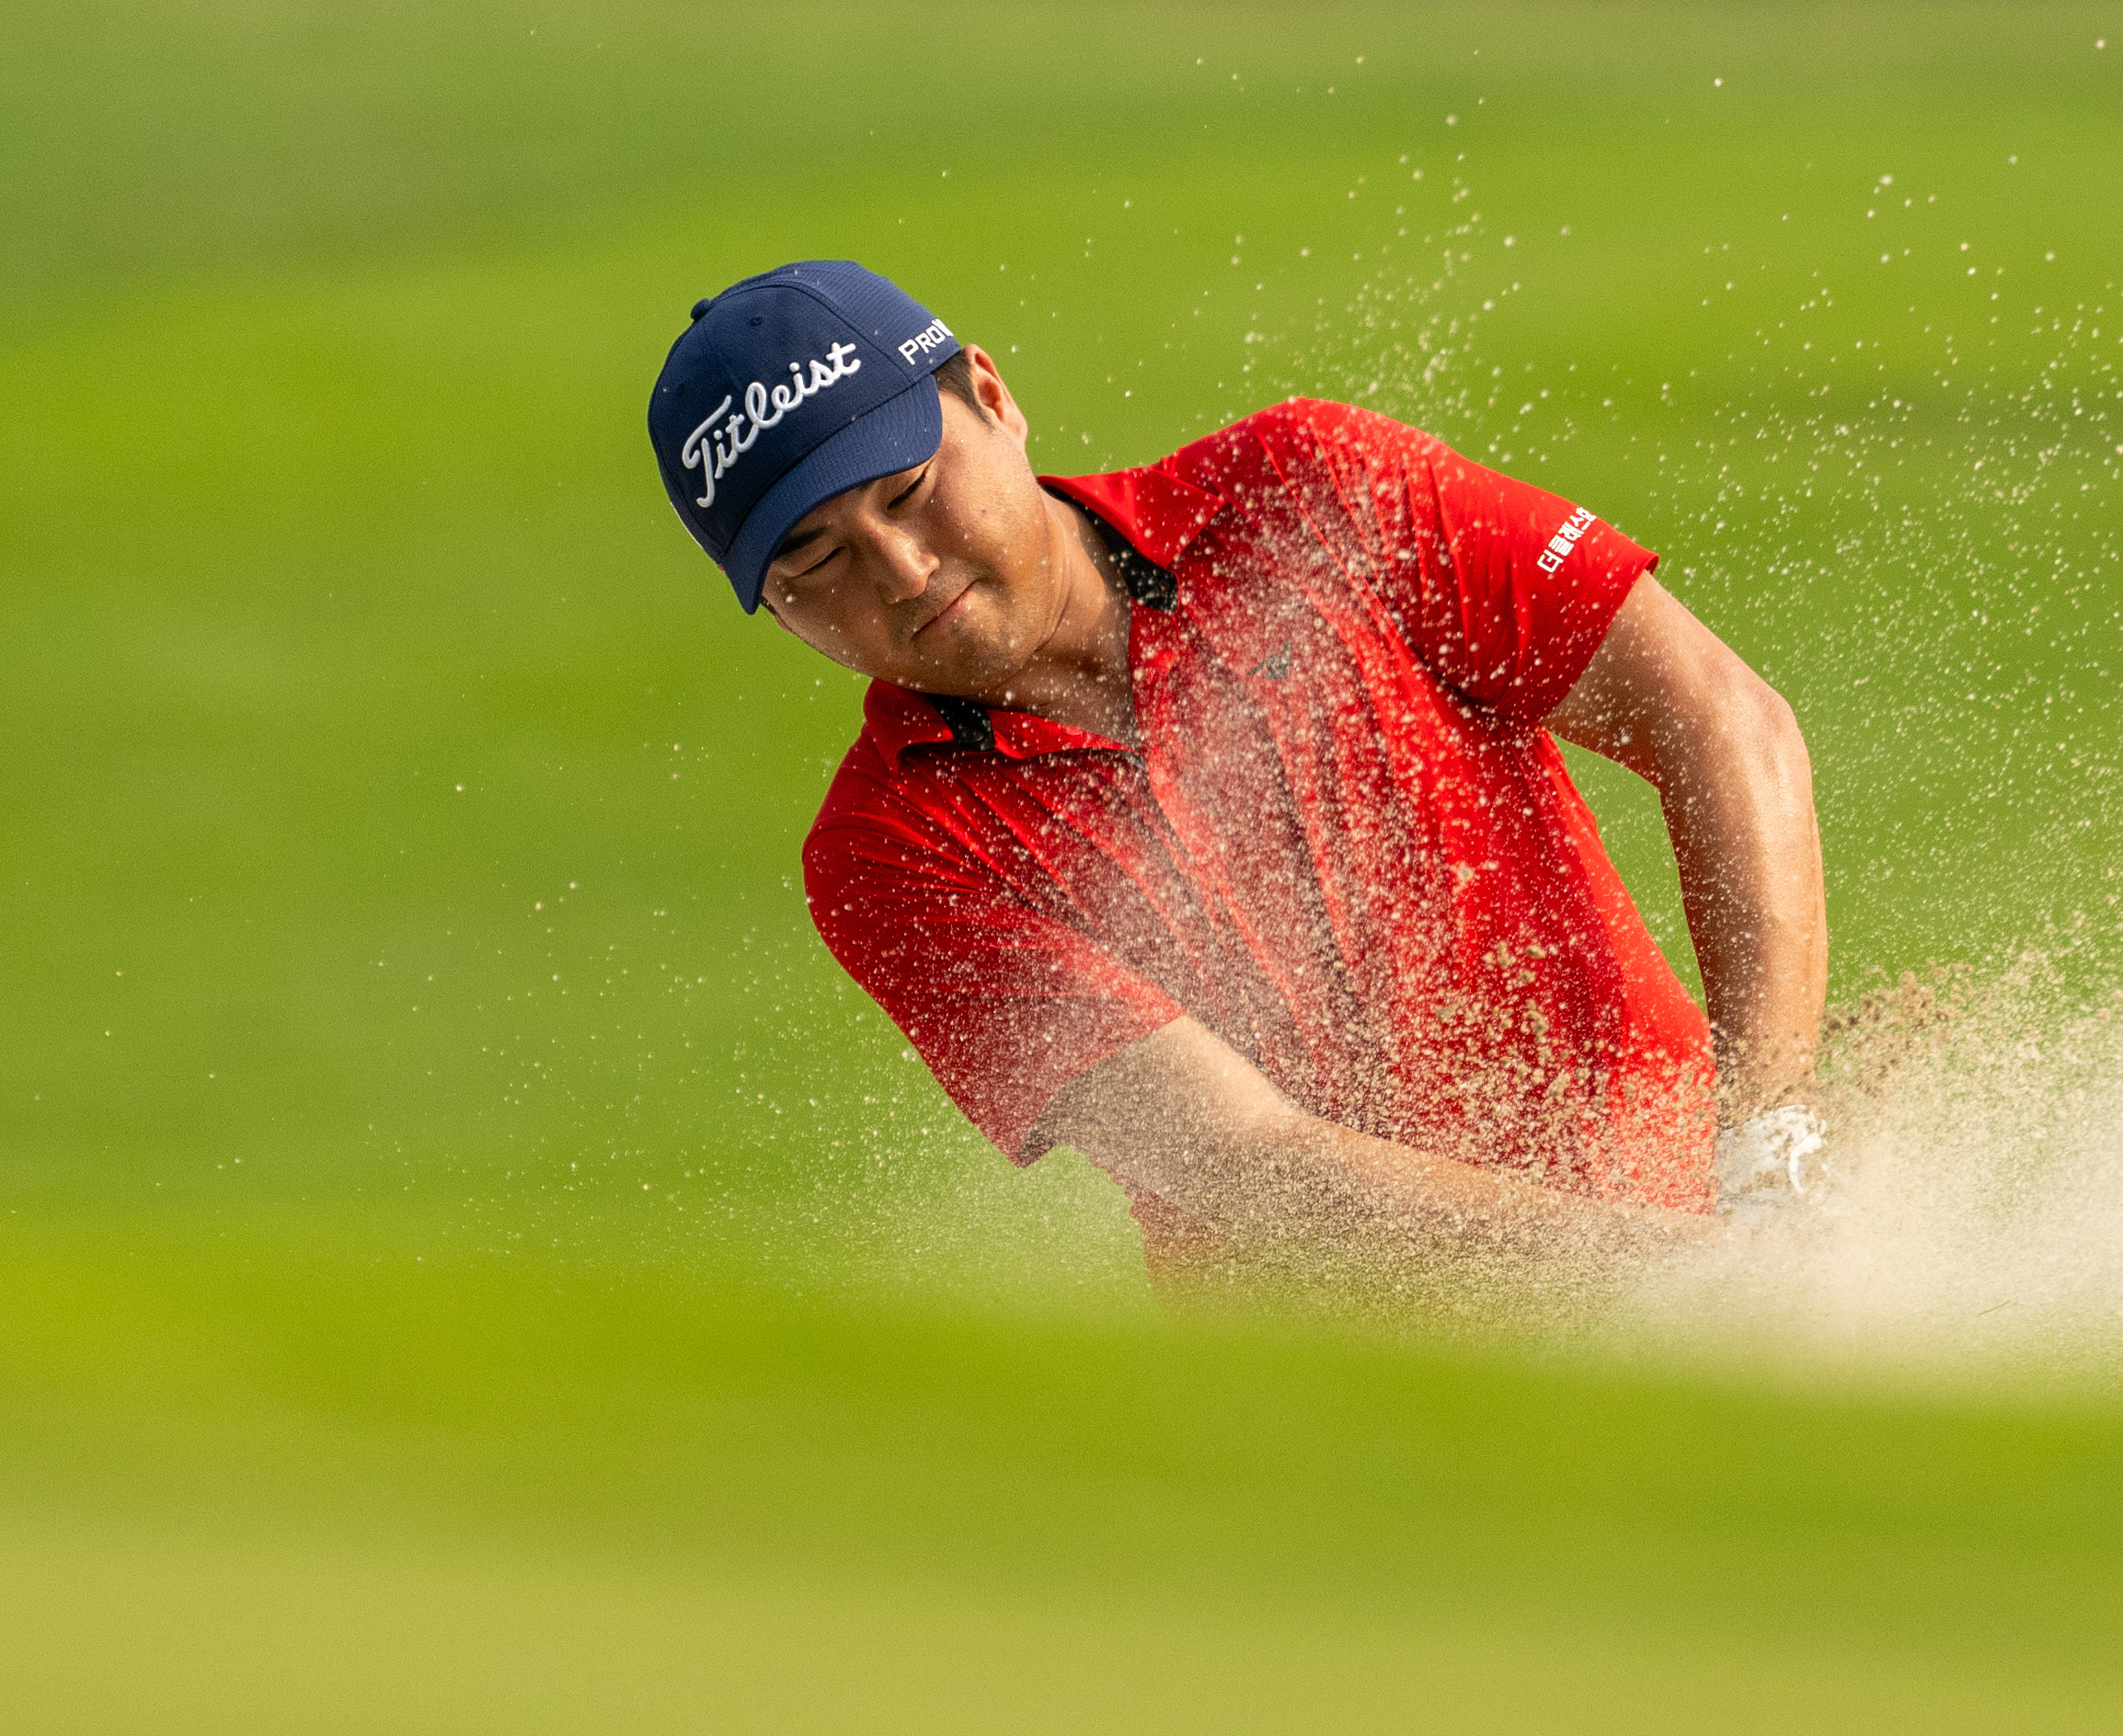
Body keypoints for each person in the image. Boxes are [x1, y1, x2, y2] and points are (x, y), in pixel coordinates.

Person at [648, 260, 1826, 1317]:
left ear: (994, 400)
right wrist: (1686, 1275)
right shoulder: (890, 850)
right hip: (1349, 1407)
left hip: (1703, 1214)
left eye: (907, 492)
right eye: (816, 562)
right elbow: (1245, 1161)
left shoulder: (1308, 488)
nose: (901, 571)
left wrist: (1767, 1152)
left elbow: (1718, 721)